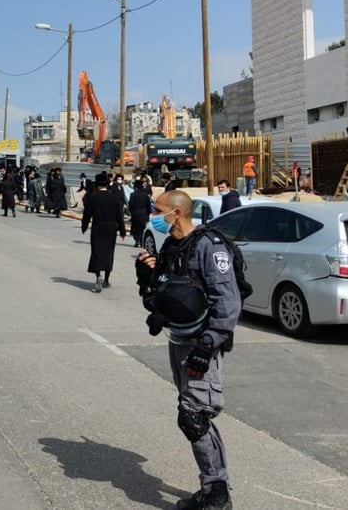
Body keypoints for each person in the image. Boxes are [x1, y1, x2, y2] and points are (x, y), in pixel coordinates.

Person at [135, 190, 241, 510]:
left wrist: (208, 346)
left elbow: (228, 303)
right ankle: (213, 488)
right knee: (192, 413)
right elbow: (163, 293)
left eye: (158, 210)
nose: (153, 215)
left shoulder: (209, 246)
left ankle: (216, 492)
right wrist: (147, 281)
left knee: (193, 416)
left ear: (176, 213)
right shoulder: (170, 246)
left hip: (200, 344)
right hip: (178, 340)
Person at [81, 172, 126, 293]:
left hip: (98, 227)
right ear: (106, 184)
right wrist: (122, 230)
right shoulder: (114, 197)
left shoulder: (93, 197)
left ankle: (98, 276)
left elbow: (87, 214)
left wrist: (84, 226)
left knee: (96, 252)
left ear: (97, 185)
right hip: (111, 229)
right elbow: (119, 216)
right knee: (108, 253)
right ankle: (106, 279)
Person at [127, 181, 152, 248]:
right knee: (143, 228)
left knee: (135, 228)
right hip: (144, 213)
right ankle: (142, 241)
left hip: (135, 213)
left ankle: (137, 241)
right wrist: (148, 213)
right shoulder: (146, 194)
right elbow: (148, 205)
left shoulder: (133, 194)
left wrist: (131, 212)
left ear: (135, 187)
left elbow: (131, 205)